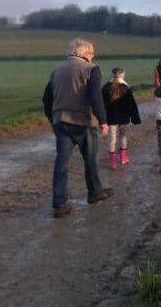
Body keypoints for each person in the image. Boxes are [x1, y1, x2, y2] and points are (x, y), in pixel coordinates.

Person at [42, 38, 114, 218]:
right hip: (84, 122)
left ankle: (59, 204)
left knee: (61, 164)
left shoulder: (56, 70)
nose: (93, 57)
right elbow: (95, 97)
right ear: (84, 54)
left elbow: (47, 100)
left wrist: (53, 120)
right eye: (92, 53)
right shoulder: (91, 70)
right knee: (90, 159)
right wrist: (103, 120)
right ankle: (94, 192)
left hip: (61, 121)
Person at [102, 68, 141, 170]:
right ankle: (123, 159)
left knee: (112, 139)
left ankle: (112, 163)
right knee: (123, 136)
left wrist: (101, 118)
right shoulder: (126, 89)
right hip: (123, 117)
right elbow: (132, 105)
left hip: (110, 118)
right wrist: (135, 117)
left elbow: (101, 105)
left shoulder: (105, 88)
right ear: (123, 75)